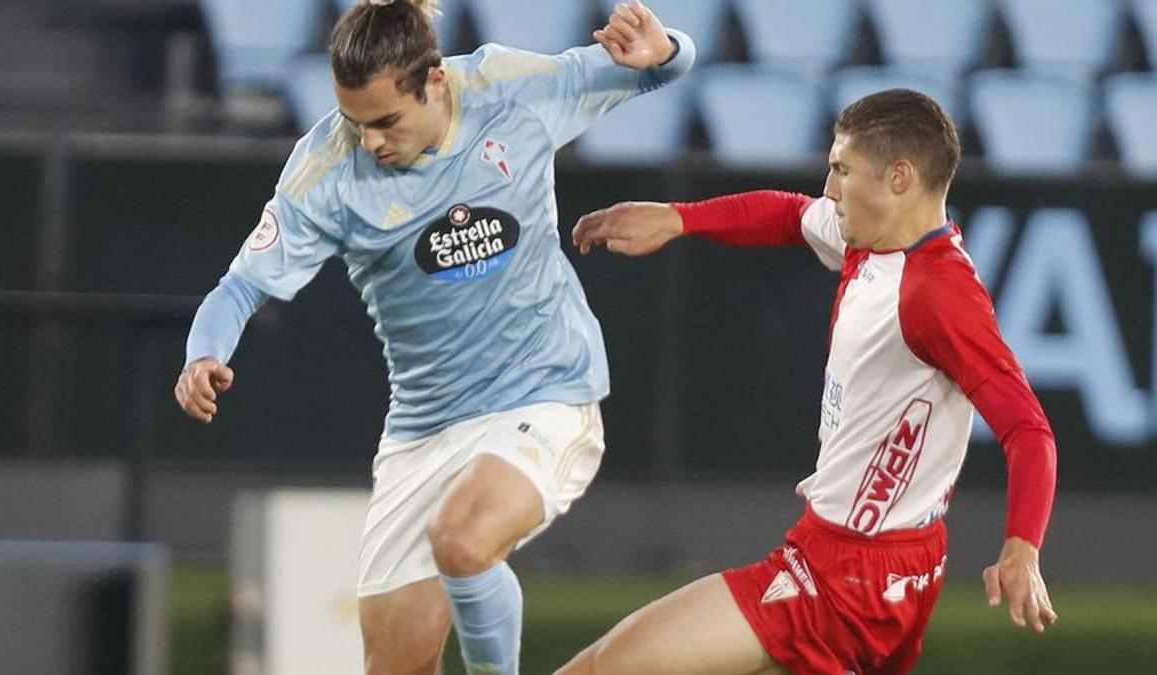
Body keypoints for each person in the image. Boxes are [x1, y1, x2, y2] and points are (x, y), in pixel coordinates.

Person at [173, 1, 694, 673]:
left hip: (544, 393)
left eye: (387, 121)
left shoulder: (510, 89)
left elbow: (659, 69)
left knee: (463, 537)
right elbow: (240, 286)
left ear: (436, 83)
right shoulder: (326, 171)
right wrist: (203, 354)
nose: (371, 143)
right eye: (355, 123)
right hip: (424, 430)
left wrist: (666, 48)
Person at [558, 89, 1058, 675]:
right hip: (867, 565)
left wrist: (1022, 546)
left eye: (843, 170)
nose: (830, 188)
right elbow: (788, 214)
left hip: (852, 578)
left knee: (603, 669)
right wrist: (679, 219)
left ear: (899, 177)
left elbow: (1028, 429)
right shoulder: (875, 241)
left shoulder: (936, 295)